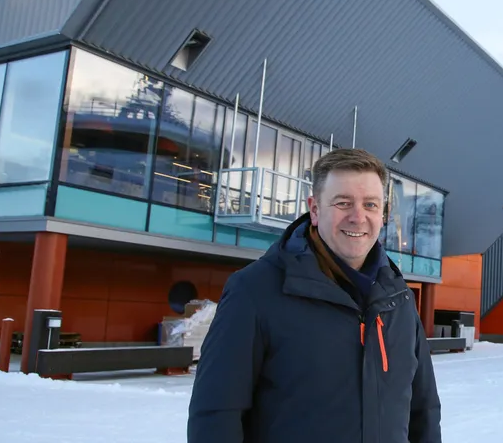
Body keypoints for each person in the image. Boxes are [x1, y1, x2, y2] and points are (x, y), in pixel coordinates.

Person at [188, 148, 442, 442]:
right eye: (343, 203)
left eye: (370, 204)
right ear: (315, 209)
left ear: (382, 214)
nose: (358, 217)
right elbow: (216, 415)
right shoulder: (254, 291)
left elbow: (423, 411)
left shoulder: (398, 298)